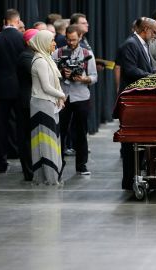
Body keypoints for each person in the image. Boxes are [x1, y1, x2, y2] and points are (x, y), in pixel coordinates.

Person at [116, 17, 156, 189]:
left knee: (140, 140)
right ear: (146, 29)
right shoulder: (130, 44)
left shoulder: (142, 43)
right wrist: (153, 77)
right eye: (154, 32)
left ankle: (137, 175)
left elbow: (147, 67)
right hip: (131, 100)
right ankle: (129, 181)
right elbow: (131, 70)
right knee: (130, 142)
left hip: (141, 100)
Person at [52, 25, 98, 175]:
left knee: (81, 132)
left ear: (80, 37)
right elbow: (50, 74)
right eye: (68, 39)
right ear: (65, 38)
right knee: (61, 131)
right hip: (63, 97)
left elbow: (94, 76)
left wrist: (84, 79)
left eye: (74, 39)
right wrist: (61, 72)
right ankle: (59, 163)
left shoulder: (87, 53)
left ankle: (81, 165)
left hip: (81, 96)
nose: (71, 42)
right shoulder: (57, 52)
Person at [0, 9, 26, 173]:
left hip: (0, 89)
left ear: (4, 21)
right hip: (20, 89)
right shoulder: (23, 39)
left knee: (0, 127)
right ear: (17, 21)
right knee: (22, 127)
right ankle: (26, 164)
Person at [28, 30, 66, 185]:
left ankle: (51, 176)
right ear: (43, 42)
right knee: (45, 142)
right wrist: (62, 95)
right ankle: (48, 177)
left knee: (51, 140)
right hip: (42, 105)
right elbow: (46, 87)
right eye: (51, 40)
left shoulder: (46, 59)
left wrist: (58, 96)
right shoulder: (40, 61)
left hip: (48, 104)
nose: (54, 44)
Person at [15, 29, 40, 181]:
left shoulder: (32, 56)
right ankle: (29, 170)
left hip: (31, 100)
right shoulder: (26, 57)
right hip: (26, 102)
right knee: (26, 138)